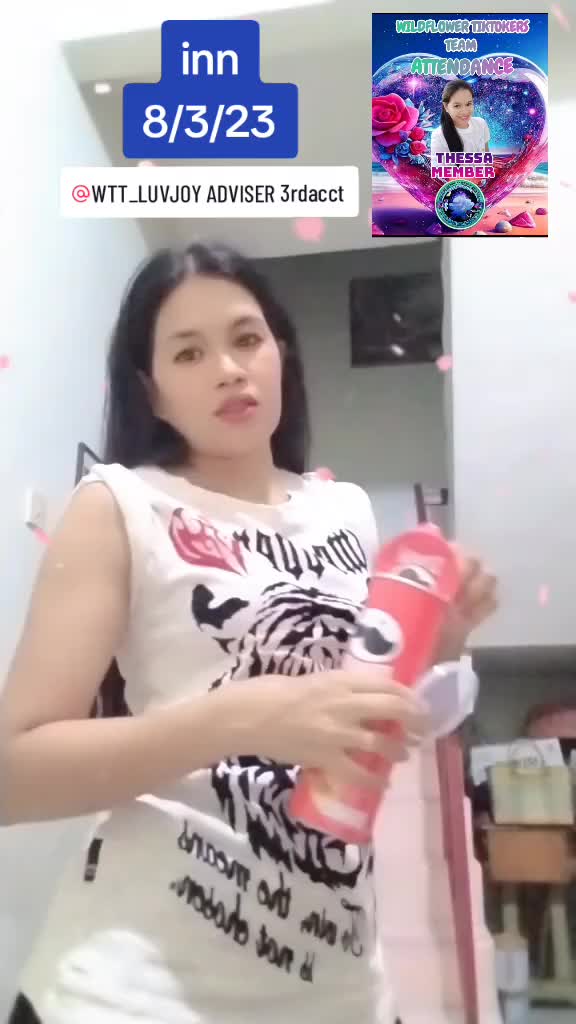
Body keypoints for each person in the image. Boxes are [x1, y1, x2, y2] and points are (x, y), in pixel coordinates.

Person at [1, 242, 498, 1024]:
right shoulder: (120, 504)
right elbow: (12, 774)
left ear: (281, 354)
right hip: (134, 997)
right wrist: (242, 717)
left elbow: (371, 719)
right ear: (151, 391)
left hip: (340, 995)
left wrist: (439, 644)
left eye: (246, 338)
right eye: (189, 353)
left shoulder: (346, 513)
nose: (229, 369)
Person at [430, 81, 490, 158]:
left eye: (468, 104)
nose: (465, 111)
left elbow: (486, 157)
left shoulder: (481, 124)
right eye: (457, 106)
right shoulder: (438, 135)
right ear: (446, 106)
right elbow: (437, 165)